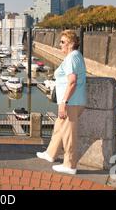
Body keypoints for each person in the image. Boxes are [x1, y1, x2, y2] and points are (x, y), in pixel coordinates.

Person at [36, 29, 87, 175]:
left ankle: (70, 165)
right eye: (60, 41)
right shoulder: (76, 56)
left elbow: (72, 82)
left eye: (63, 42)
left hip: (71, 102)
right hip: (73, 101)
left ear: (71, 44)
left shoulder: (72, 57)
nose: (60, 45)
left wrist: (64, 102)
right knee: (59, 128)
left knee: (69, 134)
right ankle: (51, 153)